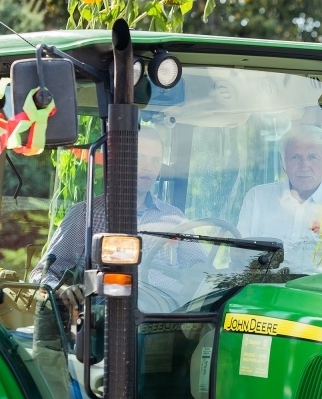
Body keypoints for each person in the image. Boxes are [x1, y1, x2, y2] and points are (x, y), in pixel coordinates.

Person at [30, 126, 198, 304]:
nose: (149, 166)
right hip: (105, 317)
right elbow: (42, 273)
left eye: (155, 160)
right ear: (119, 161)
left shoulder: (173, 218)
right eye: (140, 157)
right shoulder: (85, 214)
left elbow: (201, 267)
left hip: (166, 317)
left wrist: (195, 274)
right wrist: (62, 289)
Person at [237, 125, 322, 277]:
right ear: (283, 162)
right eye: (295, 157)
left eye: (312, 157)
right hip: (262, 294)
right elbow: (239, 259)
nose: (304, 165)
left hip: (319, 298)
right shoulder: (257, 198)